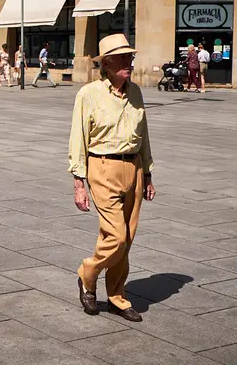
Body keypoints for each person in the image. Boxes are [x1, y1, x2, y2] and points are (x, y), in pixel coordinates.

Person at [69, 34, 156, 323]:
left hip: (133, 169)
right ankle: (87, 274)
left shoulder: (136, 92)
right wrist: (78, 183)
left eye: (130, 57)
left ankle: (117, 297)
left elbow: (143, 136)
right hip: (102, 168)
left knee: (125, 239)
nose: (129, 62)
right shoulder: (88, 94)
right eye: (121, 58)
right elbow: (78, 139)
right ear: (106, 63)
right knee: (116, 236)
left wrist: (147, 172)